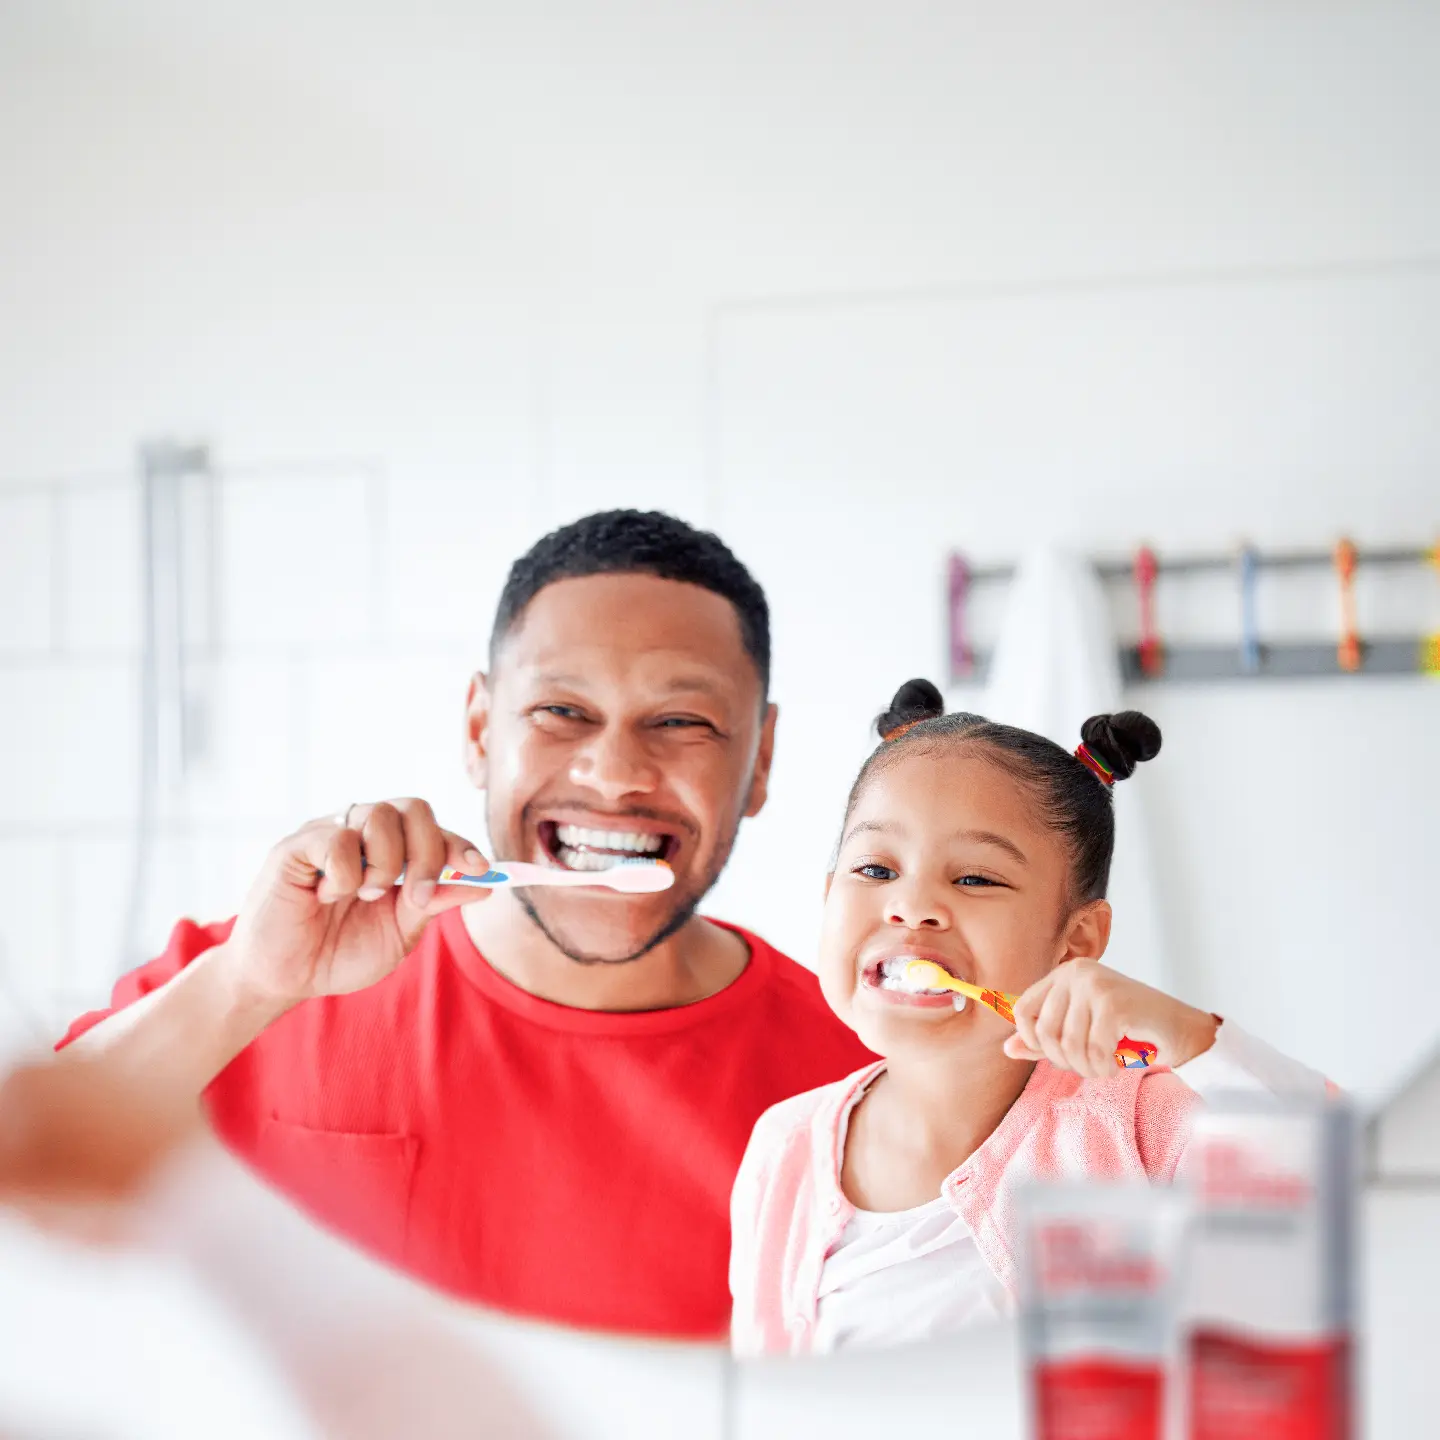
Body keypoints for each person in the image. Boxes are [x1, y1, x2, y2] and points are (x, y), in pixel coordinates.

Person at [60, 510, 873, 1341]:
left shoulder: (862, 1077)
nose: (616, 775)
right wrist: (246, 987)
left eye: (681, 722)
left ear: (761, 759)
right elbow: (29, 1186)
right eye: (562, 710)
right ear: (482, 730)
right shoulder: (256, 974)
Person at [729, 679, 1329, 1356]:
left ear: (1076, 943)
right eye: (874, 869)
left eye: (975, 879)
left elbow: (1348, 1188)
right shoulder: (784, 1147)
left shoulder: (1140, 1125)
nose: (912, 905)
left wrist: (1190, 1039)